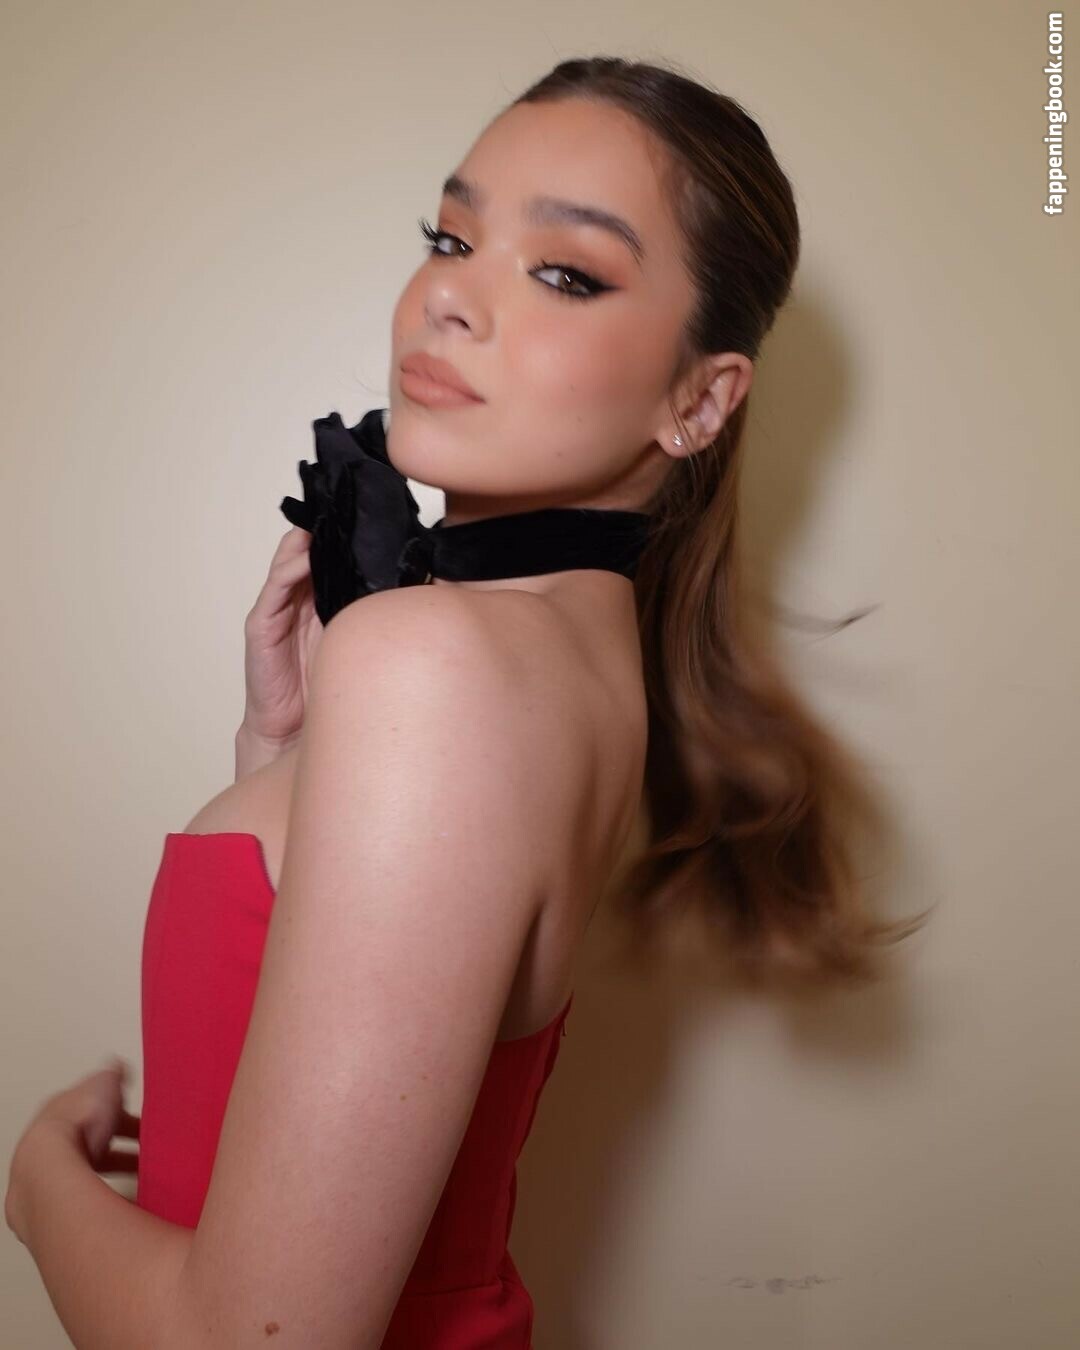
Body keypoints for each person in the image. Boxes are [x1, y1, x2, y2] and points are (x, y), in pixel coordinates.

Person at [7, 55, 931, 1350]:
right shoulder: (569, 660)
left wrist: (39, 1182)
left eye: (566, 273)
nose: (449, 294)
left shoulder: (439, 664)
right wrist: (281, 751)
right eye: (450, 238)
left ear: (700, 399)